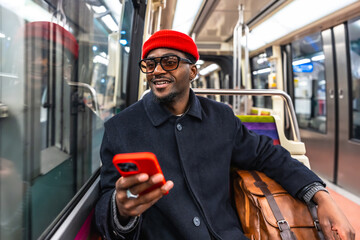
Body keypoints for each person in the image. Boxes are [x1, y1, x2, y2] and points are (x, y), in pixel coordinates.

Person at [95, 29, 355, 240]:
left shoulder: (221, 118)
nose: (157, 71)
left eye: (169, 62)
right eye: (150, 65)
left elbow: (268, 155)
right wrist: (120, 209)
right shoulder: (120, 128)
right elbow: (106, 201)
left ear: (193, 71)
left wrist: (321, 196)